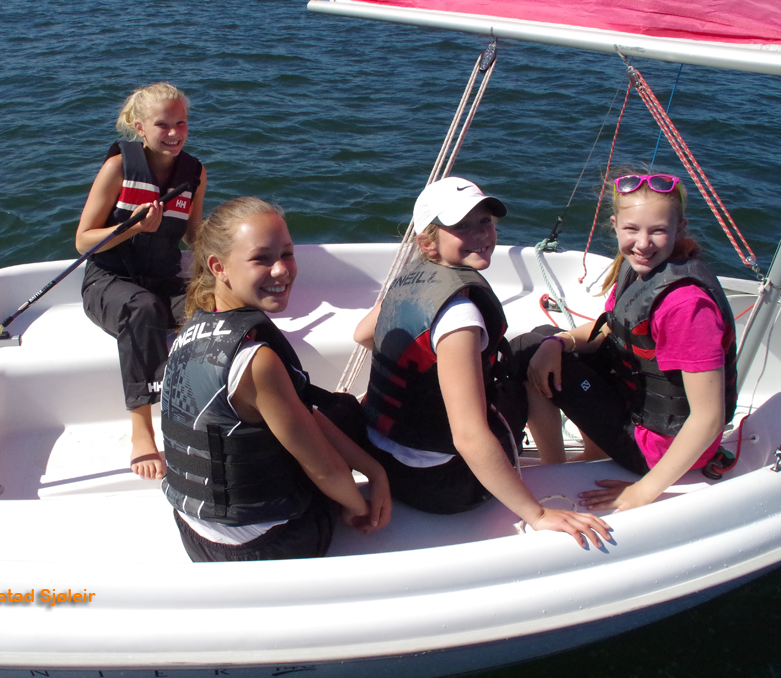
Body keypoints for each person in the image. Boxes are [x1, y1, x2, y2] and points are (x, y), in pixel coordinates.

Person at [353, 177, 611, 549]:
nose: (481, 234)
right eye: (462, 226)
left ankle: (554, 460)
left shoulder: (411, 279)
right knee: (531, 351)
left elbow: (363, 334)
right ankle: (557, 467)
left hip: (386, 459)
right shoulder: (459, 315)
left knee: (532, 345)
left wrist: (428, 375)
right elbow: (469, 437)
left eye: (485, 221)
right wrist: (537, 514)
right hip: (445, 486)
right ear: (428, 241)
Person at [160, 197, 392, 562]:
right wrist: (359, 506)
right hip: (264, 549)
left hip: (195, 533)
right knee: (347, 414)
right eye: (262, 259)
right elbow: (324, 469)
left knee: (330, 413)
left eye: (287, 254)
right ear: (219, 267)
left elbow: (301, 412)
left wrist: (373, 471)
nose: (282, 269)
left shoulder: (191, 329)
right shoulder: (257, 362)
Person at [520, 170, 737, 512]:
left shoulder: (686, 307)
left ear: (680, 229)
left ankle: (558, 471)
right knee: (539, 341)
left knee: (522, 352)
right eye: (632, 229)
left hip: (658, 451)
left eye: (658, 231)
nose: (643, 243)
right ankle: (585, 455)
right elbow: (612, 328)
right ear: (616, 225)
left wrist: (643, 492)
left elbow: (708, 418)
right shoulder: (639, 269)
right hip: (637, 412)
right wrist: (556, 343)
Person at [75, 83, 208, 481]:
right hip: (108, 281)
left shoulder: (195, 173)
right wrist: (131, 228)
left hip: (163, 279)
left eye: (181, 123)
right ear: (140, 128)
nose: (174, 132)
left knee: (213, 304)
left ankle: (208, 405)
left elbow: (194, 235)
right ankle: (142, 430)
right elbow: (83, 241)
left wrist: (224, 262)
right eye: (162, 124)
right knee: (142, 308)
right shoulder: (118, 167)